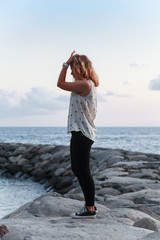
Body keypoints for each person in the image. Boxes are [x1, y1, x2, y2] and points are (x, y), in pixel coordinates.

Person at [57, 51, 99, 218]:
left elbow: (60, 83)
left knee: (83, 170)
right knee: (77, 168)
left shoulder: (85, 85)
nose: (71, 72)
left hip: (83, 132)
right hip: (79, 131)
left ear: (79, 68)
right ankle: (89, 206)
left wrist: (65, 64)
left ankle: (90, 208)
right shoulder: (85, 83)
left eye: (73, 69)